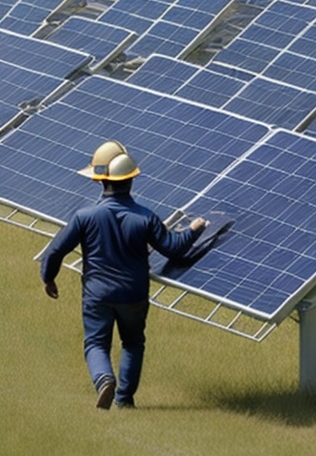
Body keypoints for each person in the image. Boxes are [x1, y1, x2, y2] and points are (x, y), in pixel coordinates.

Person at [41, 140, 207, 410]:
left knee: (95, 342)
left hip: (97, 295)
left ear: (100, 181)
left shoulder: (85, 216)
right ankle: (125, 399)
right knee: (132, 343)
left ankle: (104, 379)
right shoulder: (146, 217)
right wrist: (194, 229)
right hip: (134, 295)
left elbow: (55, 251)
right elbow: (174, 249)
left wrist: (48, 277)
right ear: (131, 181)